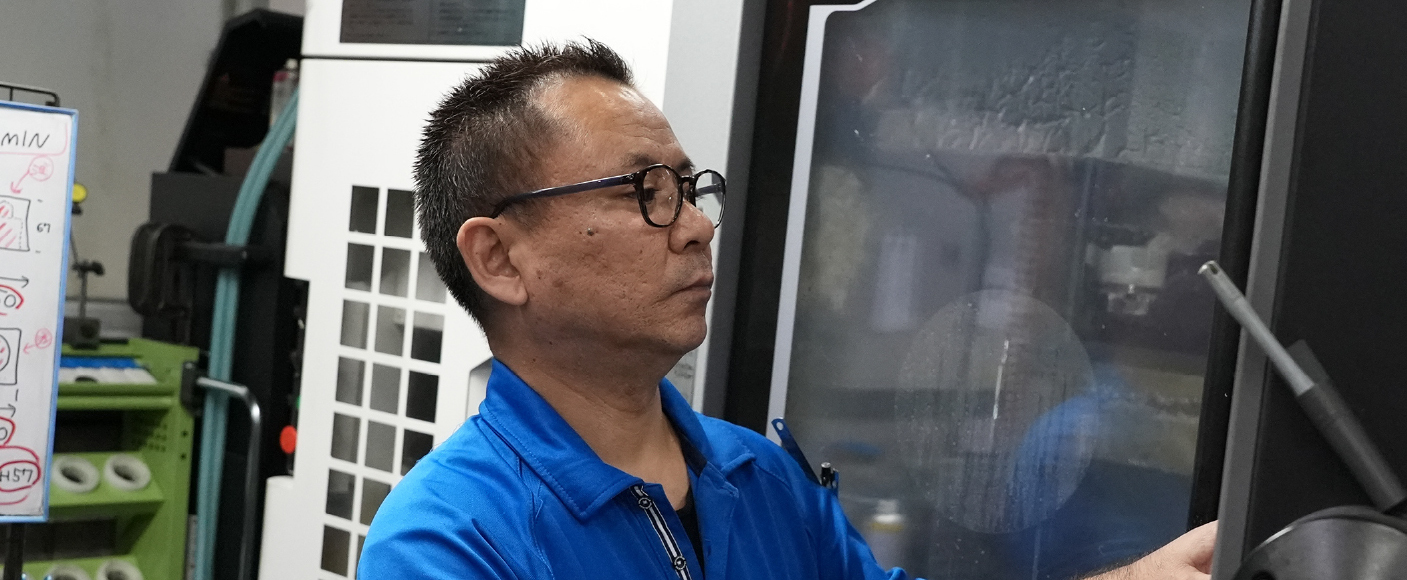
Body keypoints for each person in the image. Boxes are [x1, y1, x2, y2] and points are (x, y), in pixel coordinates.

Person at [359, 39, 1218, 580]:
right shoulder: (451, 542)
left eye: (691, 189)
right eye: (645, 192)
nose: (697, 227)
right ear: (499, 258)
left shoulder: (758, 480)